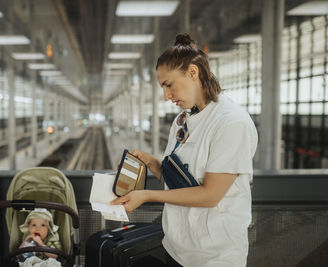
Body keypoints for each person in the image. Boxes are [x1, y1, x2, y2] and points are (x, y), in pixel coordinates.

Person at [111, 33, 258, 267]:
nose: (166, 96)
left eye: (169, 85)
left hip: (214, 257)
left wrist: (147, 195)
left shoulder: (231, 122)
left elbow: (210, 195)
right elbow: (180, 181)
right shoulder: (182, 120)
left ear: (193, 72)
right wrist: (152, 163)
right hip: (177, 247)